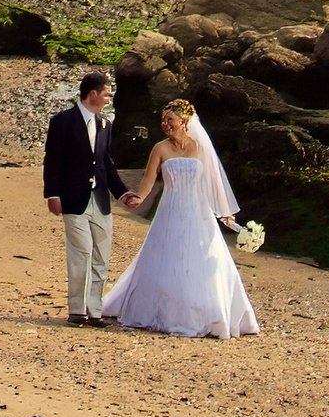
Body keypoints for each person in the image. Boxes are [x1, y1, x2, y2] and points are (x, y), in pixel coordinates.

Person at [101, 99, 261, 340]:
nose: (165, 124)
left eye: (170, 119)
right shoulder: (160, 149)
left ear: (184, 121)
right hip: (171, 209)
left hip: (199, 211)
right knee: (167, 257)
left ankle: (208, 313)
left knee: (206, 259)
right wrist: (135, 199)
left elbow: (213, 182)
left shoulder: (200, 147)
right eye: (163, 120)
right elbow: (147, 182)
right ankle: (166, 311)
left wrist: (225, 214)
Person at [41, 71, 134, 326]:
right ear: (93, 94)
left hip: (100, 200)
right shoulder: (63, 121)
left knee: (101, 256)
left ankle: (95, 311)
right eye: (107, 94)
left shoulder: (106, 125)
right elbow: (53, 160)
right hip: (73, 198)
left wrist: (123, 194)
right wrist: (52, 194)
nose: (109, 98)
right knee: (81, 252)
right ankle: (77, 310)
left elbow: (107, 163)